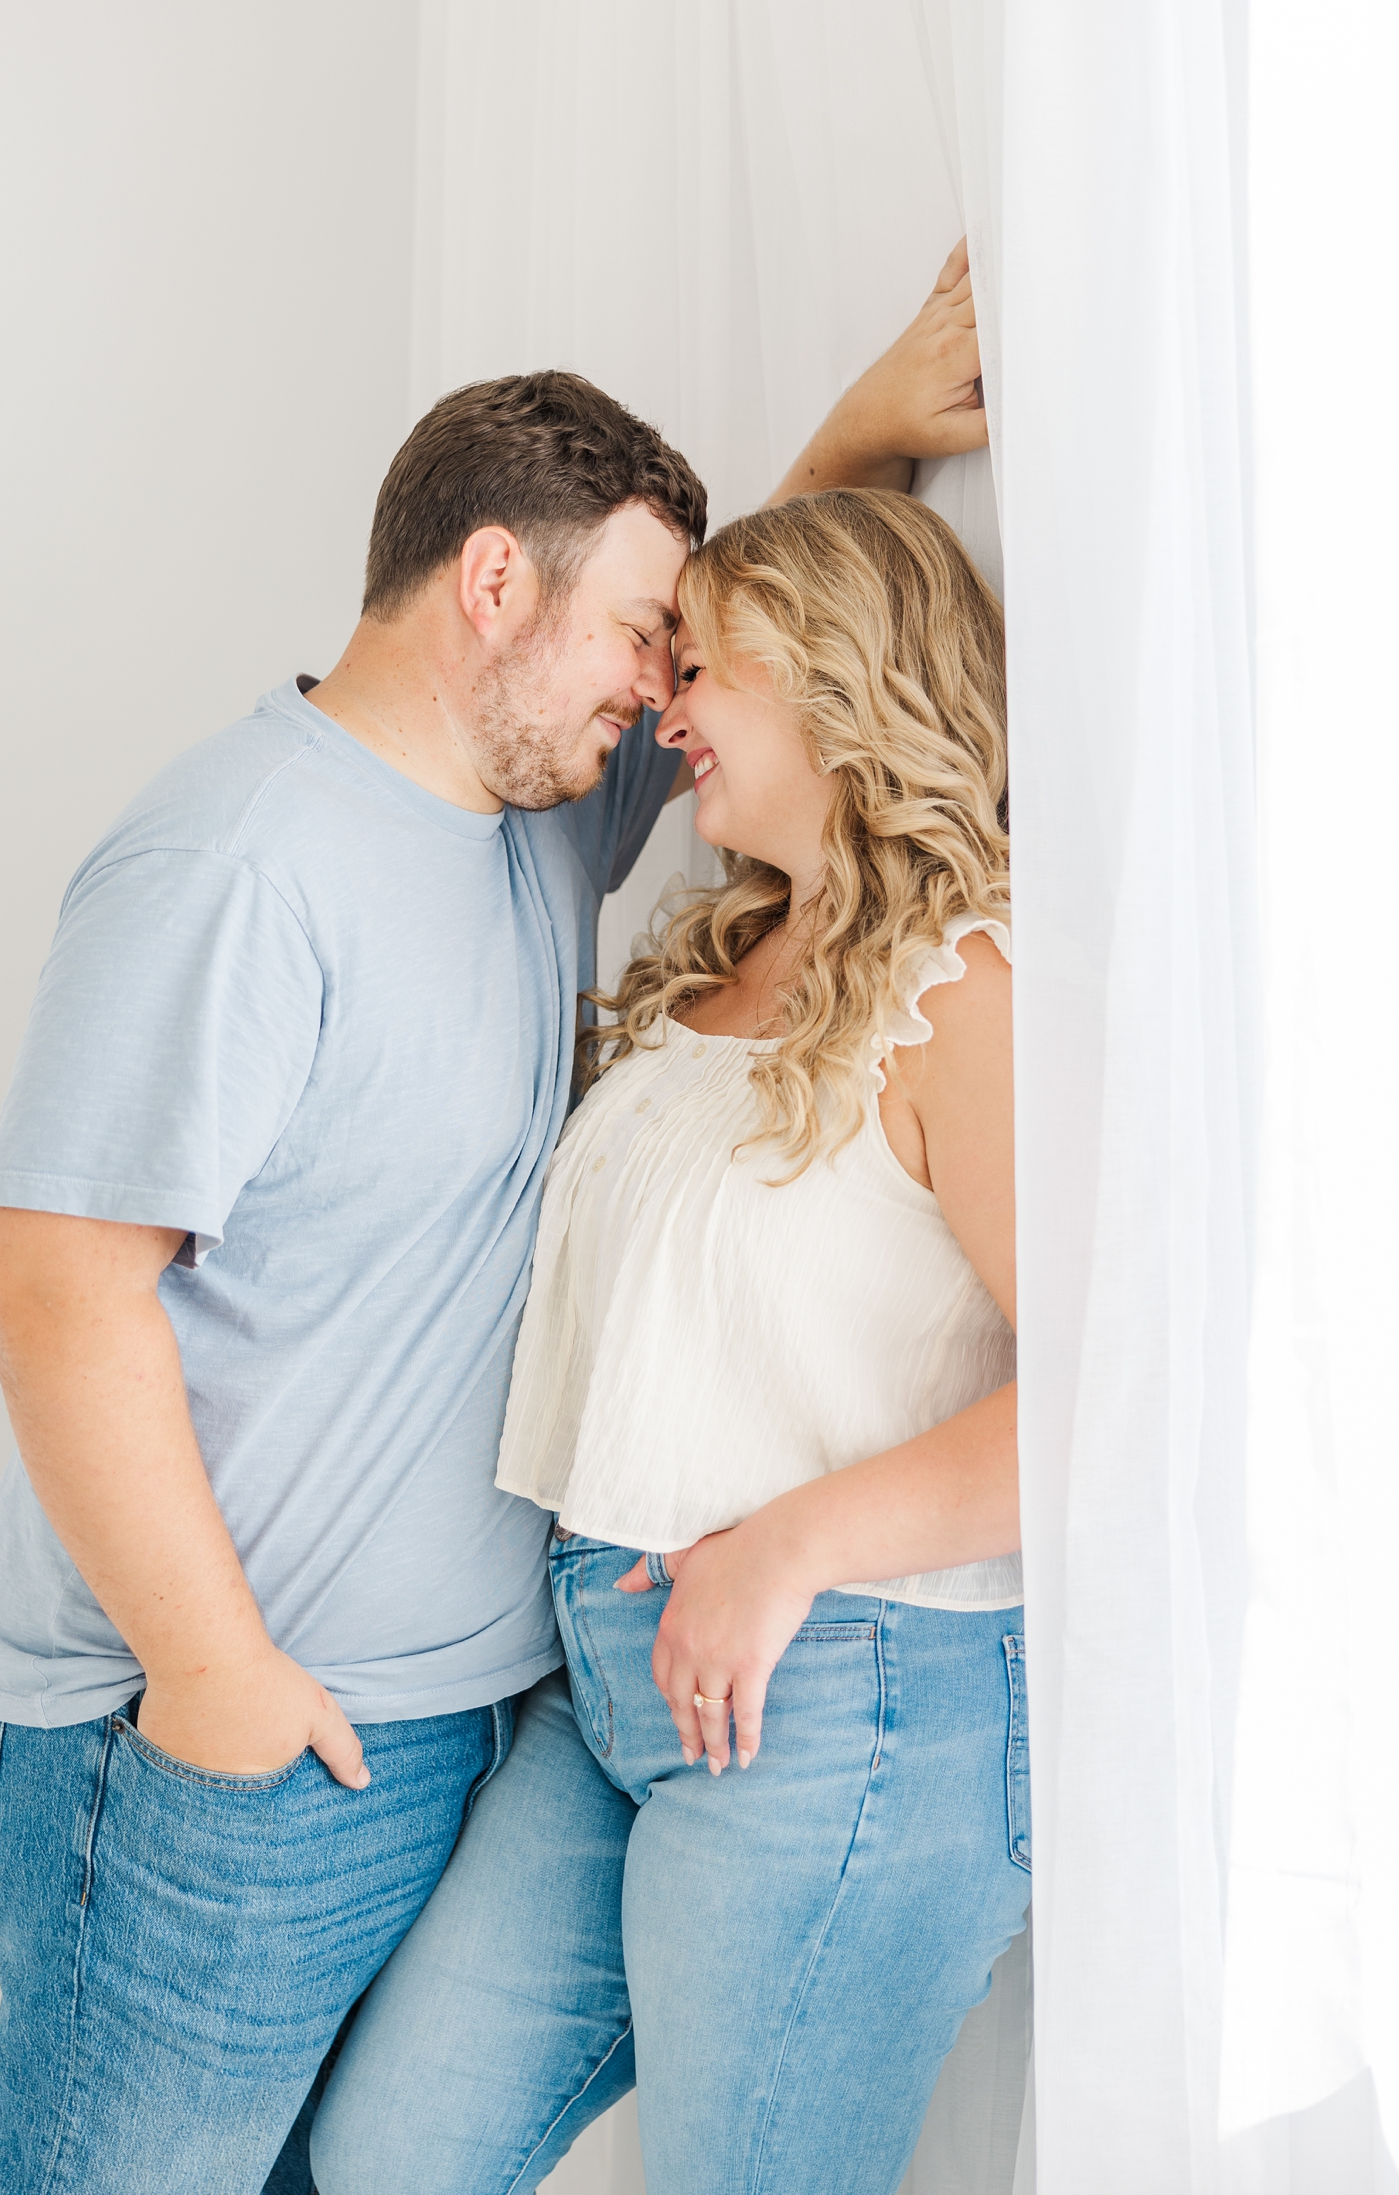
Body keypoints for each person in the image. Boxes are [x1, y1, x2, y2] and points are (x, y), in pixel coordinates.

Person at [0, 243, 988, 2194]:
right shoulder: (239, 863)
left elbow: (789, 699)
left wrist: (865, 429)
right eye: (645, 635)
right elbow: (52, 1287)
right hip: (216, 1737)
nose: (668, 693)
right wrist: (217, 1682)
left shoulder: (531, 816)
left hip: (443, 1723)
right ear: (493, 586)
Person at [310, 479, 1024, 2195]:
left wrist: (785, 1549)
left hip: (844, 1698)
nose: (665, 708)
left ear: (838, 677)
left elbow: (1111, 1408)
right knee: (390, 2158)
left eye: (702, 669)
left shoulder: (966, 991)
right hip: (614, 1670)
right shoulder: (708, 958)